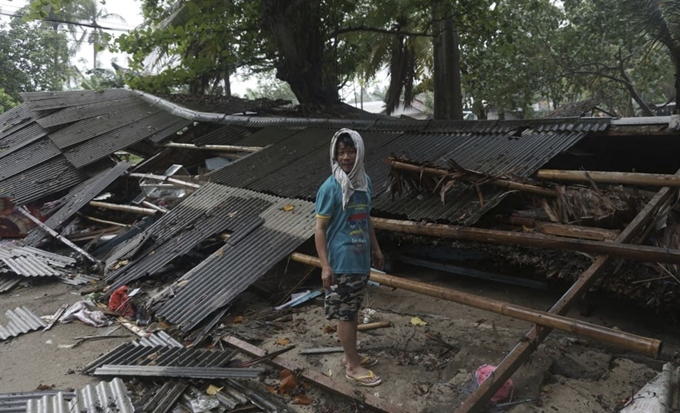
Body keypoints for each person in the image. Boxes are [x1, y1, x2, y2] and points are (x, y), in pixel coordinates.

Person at [314, 128, 384, 387]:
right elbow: (319, 229)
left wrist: (375, 249)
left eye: (350, 151)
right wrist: (325, 265)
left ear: (360, 152)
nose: (345, 157)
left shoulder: (365, 182)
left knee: (352, 310)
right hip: (341, 261)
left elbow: (366, 219)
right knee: (345, 314)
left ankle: (349, 357)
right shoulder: (330, 187)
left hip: (360, 259)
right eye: (340, 152)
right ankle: (353, 367)